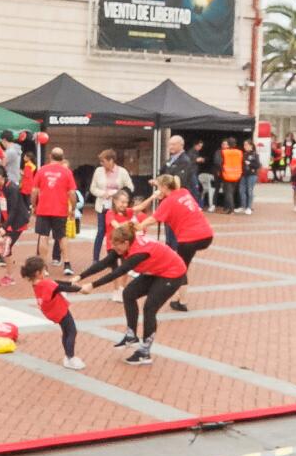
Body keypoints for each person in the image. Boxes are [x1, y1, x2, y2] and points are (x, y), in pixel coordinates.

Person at [72, 223, 187, 367]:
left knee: (149, 308)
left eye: (117, 245)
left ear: (126, 243)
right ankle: (131, 336)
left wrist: (92, 285)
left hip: (173, 273)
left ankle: (145, 352)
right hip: (157, 270)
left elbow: (118, 272)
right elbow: (104, 263)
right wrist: (80, 277)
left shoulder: (138, 253)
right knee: (128, 293)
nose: (115, 248)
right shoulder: (124, 246)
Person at [139, 174, 213, 312]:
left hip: (189, 238)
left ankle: (182, 301)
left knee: (181, 268)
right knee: (184, 263)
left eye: (159, 187)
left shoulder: (168, 202)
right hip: (206, 234)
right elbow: (176, 180)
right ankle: (178, 296)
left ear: (165, 187)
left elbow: (153, 219)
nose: (158, 190)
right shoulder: (184, 192)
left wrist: (138, 226)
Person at [22, 256, 87, 371]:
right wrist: (80, 289)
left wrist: (71, 283)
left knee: (66, 331)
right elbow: (60, 287)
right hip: (60, 310)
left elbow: (56, 283)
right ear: (38, 273)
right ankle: (70, 357)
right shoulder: (46, 285)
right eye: (44, 271)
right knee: (72, 331)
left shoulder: (38, 283)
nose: (45, 273)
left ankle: (68, 356)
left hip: (53, 312)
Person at [27, 146, 78, 272]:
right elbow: (72, 193)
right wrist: (73, 208)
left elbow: (34, 191)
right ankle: (67, 264)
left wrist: (33, 205)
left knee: (43, 236)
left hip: (43, 208)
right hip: (60, 209)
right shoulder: (67, 172)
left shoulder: (42, 170)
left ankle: (43, 266)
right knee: (62, 237)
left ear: (50, 156)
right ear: (62, 158)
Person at [89, 149, 133, 260]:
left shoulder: (122, 172)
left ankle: (120, 255)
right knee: (101, 231)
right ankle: (95, 258)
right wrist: (103, 194)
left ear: (111, 161)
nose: (102, 164)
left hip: (117, 207)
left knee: (117, 231)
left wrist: (119, 194)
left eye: (103, 161)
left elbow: (130, 187)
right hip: (103, 206)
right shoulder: (98, 171)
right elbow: (93, 188)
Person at [218, 139, 245, 217]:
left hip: (227, 174)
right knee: (232, 192)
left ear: (228, 144)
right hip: (237, 174)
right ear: (235, 144)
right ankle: (230, 209)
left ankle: (231, 209)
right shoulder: (239, 152)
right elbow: (242, 162)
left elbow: (220, 163)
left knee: (228, 193)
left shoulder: (224, 152)